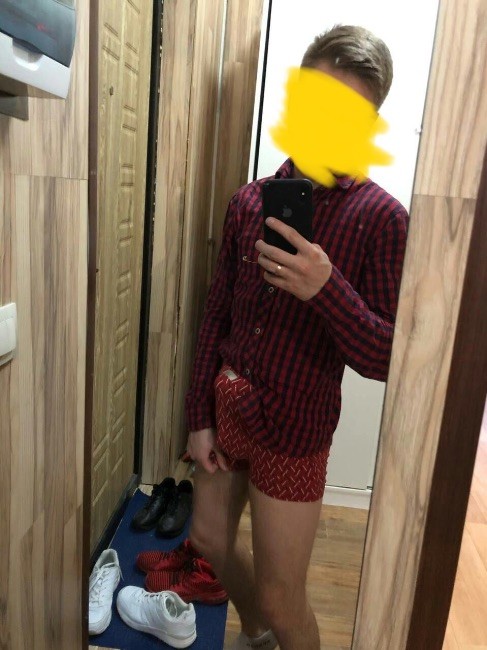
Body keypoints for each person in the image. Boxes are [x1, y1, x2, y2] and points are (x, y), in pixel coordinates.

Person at [185, 24, 409, 650]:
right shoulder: (248, 202)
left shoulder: (383, 219)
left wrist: (325, 287)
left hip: (294, 429)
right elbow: (216, 315)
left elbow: (386, 357)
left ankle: (269, 623)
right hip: (228, 406)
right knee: (207, 539)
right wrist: (198, 416)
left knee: (285, 600)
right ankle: (254, 631)